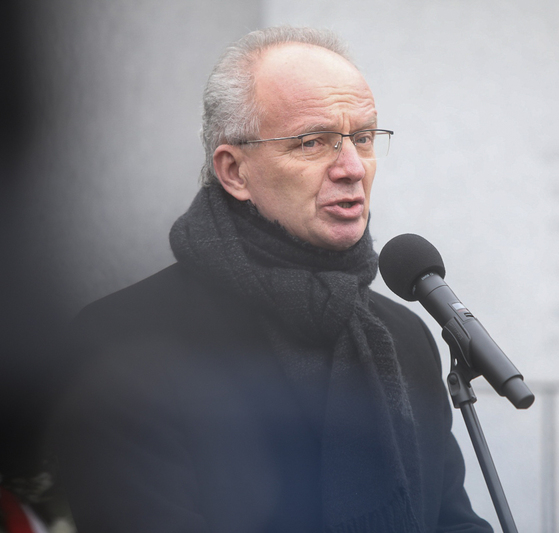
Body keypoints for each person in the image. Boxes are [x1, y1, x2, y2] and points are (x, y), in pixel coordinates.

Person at [55, 26, 493, 533]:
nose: (352, 167)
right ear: (234, 171)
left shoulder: (405, 337)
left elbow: (450, 521)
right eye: (313, 142)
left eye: (365, 138)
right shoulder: (119, 339)